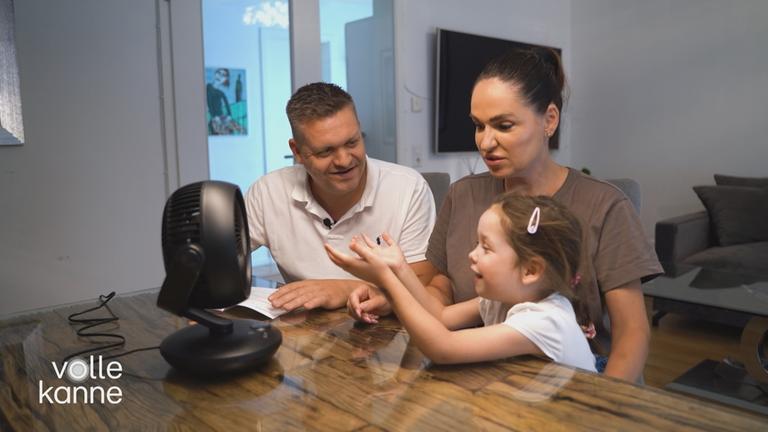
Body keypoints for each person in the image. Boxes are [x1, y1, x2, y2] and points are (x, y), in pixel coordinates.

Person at [347, 48, 662, 382]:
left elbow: (632, 335)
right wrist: (395, 291)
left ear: (549, 120)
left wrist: (605, 408)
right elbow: (442, 293)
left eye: (504, 125)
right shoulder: (463, 194)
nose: (486, 142)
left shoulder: (606, 206)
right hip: (483, 383)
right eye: (478, 126)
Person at [326, 195, 597, 372]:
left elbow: (442, 347)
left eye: (486, 248)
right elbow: (440, 316)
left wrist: (385, 277)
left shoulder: (546, 320)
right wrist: (399, 269)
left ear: (530, 270)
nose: (472, 254)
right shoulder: (500, 299)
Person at [245, 82, 436, 312]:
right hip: (304, 331)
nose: (344, 160)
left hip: (389, 332)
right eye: (326, 151)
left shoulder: (408, 188)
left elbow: (423, 281)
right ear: (297, 151)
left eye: (352, 142)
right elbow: (219, 259)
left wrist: (344, 289)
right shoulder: (268, 191)